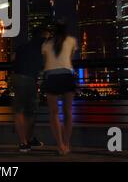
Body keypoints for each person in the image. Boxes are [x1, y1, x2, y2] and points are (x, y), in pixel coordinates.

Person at [41, 21, 77, 156]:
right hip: (67, 76)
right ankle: (67, 144)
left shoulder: (46, 44)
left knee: (54, 113)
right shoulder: (72, 40)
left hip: (51, 77)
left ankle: (60, 145)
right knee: (68, 112)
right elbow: (70, 59)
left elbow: (45, 62)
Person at [12, 27, 50, 152]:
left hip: (19, 77)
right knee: (29, 111)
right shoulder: (44, 45)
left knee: (21, 111)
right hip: (30, 78)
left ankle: (26, 140)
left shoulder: (23, 46)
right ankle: (25, 141)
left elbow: (13, 58)